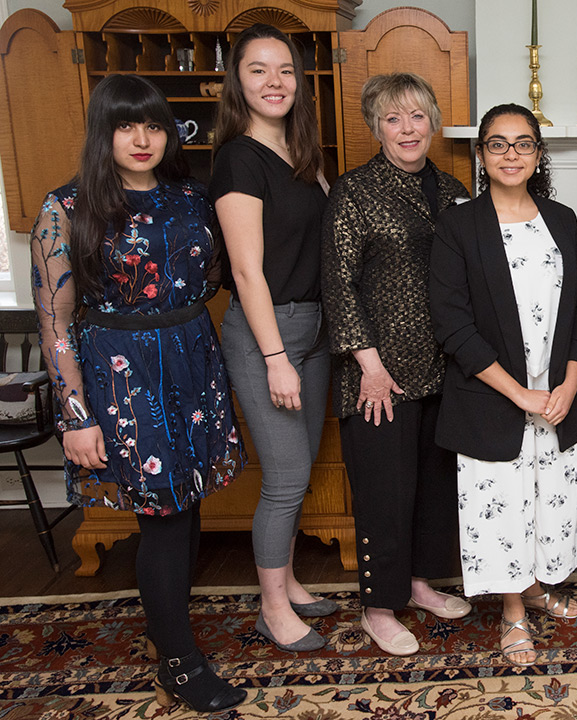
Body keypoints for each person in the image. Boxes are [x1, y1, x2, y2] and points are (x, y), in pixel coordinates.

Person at [30, 74, 246, 712]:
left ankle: (165, 631)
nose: (143, 138)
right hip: (121, 374)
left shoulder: (191, 197)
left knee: (190, 501)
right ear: (104, 132)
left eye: (152, 125)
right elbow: (54, 321)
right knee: (163, 516)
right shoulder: (65, 208)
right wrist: (75, 416)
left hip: (192, 361)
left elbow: (212, 275)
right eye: (126, 126)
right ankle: (178, 662)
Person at [430, 103, 577, 667]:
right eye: (497, 144)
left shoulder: (563, 219)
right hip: (494, 399)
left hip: (557, 398)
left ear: (538, 154)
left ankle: (537, 587)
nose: (511, 154)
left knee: (550, 502)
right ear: (481, 155)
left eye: (523, 144)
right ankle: (513, 611)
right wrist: (519, 393)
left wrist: (570, 380)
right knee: (500, 507)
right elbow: (452, 322)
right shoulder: (458, 225)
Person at [322, 72, 471, 657]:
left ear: (433, 122)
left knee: (432, 489)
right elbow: (338, 285)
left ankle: (416, 583)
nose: (407, 129)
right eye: (393, 118)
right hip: (378, 374)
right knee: (384, 492)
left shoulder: (454, 187)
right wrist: (369, 364)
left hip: (443, 368)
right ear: (375, 127)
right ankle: (378, 606)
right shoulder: (354, 191)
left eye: (416, 117)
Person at [210, 24, 333, 653]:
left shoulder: (303, 156)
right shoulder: (238, 157)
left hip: (313, 328)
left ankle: (287, 580)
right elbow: (246, 271)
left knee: (301, 467)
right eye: (258, 70)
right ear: (238, 81)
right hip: (271, 334)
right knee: (284, 478)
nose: (274, 82)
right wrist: (276, 358)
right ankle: (272, 608)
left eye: (284, 69)